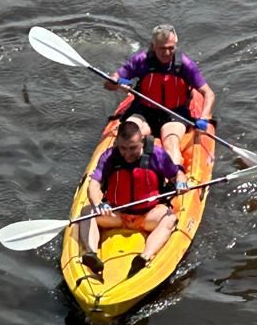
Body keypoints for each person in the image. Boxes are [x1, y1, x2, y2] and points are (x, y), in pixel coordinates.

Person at [74, 116, 183, 279]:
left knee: (169, 219)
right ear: (118, 143)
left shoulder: (157, 155)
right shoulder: (109, 157)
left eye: (132, 148)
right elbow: (94, 185)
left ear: (142, 141)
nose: (127, 154)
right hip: (116, 214)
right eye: (123, 148)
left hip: (148, 215)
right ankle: (91, 254)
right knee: (87, 212)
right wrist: (98, 204)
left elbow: (178, 175)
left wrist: (181, 184)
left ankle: (144, 257)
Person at [104, 24, 215, 168]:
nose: (167, 53)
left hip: (174, 114)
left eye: (171, 48)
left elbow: (209, 93)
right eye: (162, 48)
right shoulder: (141, 61)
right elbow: (108, 84)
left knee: (171, 142)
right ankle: (112, 174)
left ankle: (174, 180)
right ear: (153, 46)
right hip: (143, 112)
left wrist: (204, 118)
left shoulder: (185, 65)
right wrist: (117, 83)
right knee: (126, 138)